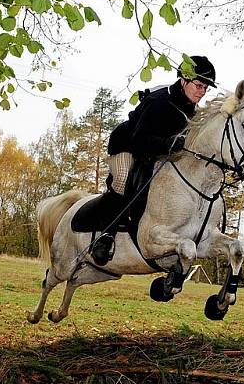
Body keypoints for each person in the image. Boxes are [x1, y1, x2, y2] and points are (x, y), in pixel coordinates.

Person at [90, 55, 217, 266]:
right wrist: (170, 144)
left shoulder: (191, 109)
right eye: (199, 85)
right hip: (126, 145)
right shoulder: (159, 102)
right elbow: (139, 140)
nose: (202, 92)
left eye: (206, 88)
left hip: (156, 152)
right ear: (184, 80)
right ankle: (106, 236)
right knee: (122, 179)